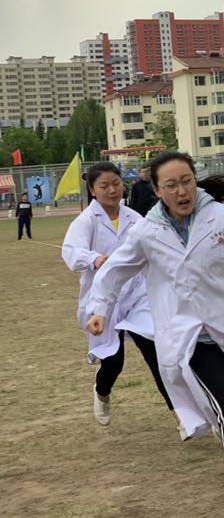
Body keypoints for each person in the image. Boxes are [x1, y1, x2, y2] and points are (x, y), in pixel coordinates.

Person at [85, 152, 224, 518]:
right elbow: (114, 272)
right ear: (157, 190)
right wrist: (99, 310)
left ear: (195, 180)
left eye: (187, 181)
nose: (182, 191)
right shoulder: (147, 232)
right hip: (190, 337)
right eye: (172, 185)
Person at [62, 162, 173, 427]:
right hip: (103, 301)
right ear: (93, 190)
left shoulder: (135, 218)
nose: (112, 190)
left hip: (136, 295)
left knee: (156, 353)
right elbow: (71, 252)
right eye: (104, 186)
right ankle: (102, 392)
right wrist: (94, 258)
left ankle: (181, 414)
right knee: (113, 362)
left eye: (116, 183)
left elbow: (154, 246)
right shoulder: (86, 221)